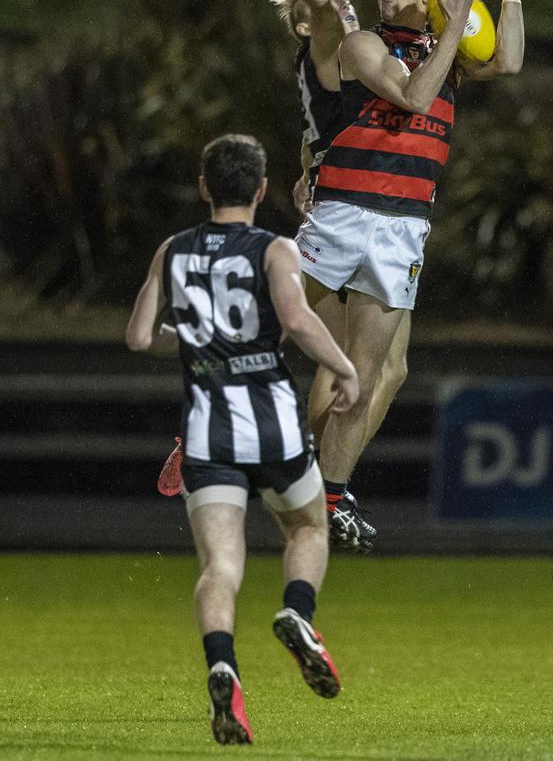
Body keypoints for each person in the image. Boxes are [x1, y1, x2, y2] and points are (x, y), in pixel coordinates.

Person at [126, 134, 359, 745]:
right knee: (308, 527)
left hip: (208, 428)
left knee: (221, 565)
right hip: (273, 422)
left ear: (205, 187)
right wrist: (346, 367)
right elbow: (297, 319)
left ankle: (223, 666)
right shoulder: (274, 248)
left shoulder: (172, 251)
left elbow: (139, 337)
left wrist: (200, 337)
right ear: (259, 189)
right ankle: (297, 614)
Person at [294, 0, 525, 525]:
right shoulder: (363, 43)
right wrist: (452, 32)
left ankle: (328, 495)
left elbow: (510, 60)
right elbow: (414, 96)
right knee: (269, 320)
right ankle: (210, 428)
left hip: (403, 228)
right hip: (343, 213)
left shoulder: (447, 52)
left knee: (368, 378)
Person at [269, 0, 410, 552]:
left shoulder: (346, 53)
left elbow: (315, 135)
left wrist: (308, 171)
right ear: (305, 21)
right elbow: (324, 9)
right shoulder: (328, 37)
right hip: (351, 214)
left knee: (391, 369)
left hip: (342, 199)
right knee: (345, 367)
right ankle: (313, 480)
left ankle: (320, 479)